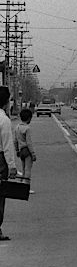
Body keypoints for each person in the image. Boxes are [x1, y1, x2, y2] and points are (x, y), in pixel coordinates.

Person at [0, 86, 18, 241]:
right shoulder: (4, 120)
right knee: (0, 194)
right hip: (0, 161)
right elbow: (7, 145)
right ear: (6, 102)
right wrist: (12, 166)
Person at [14, 107, 37, 189]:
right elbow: (29, 142)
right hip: (27, 150)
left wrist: (17, 150)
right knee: (28, 170)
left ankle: (21, 186)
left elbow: (15, 141)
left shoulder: (17, 127)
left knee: (23, 169)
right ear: (29, 118)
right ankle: (26, 187)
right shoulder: (27, 128)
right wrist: (33, 154)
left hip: (21, 151)